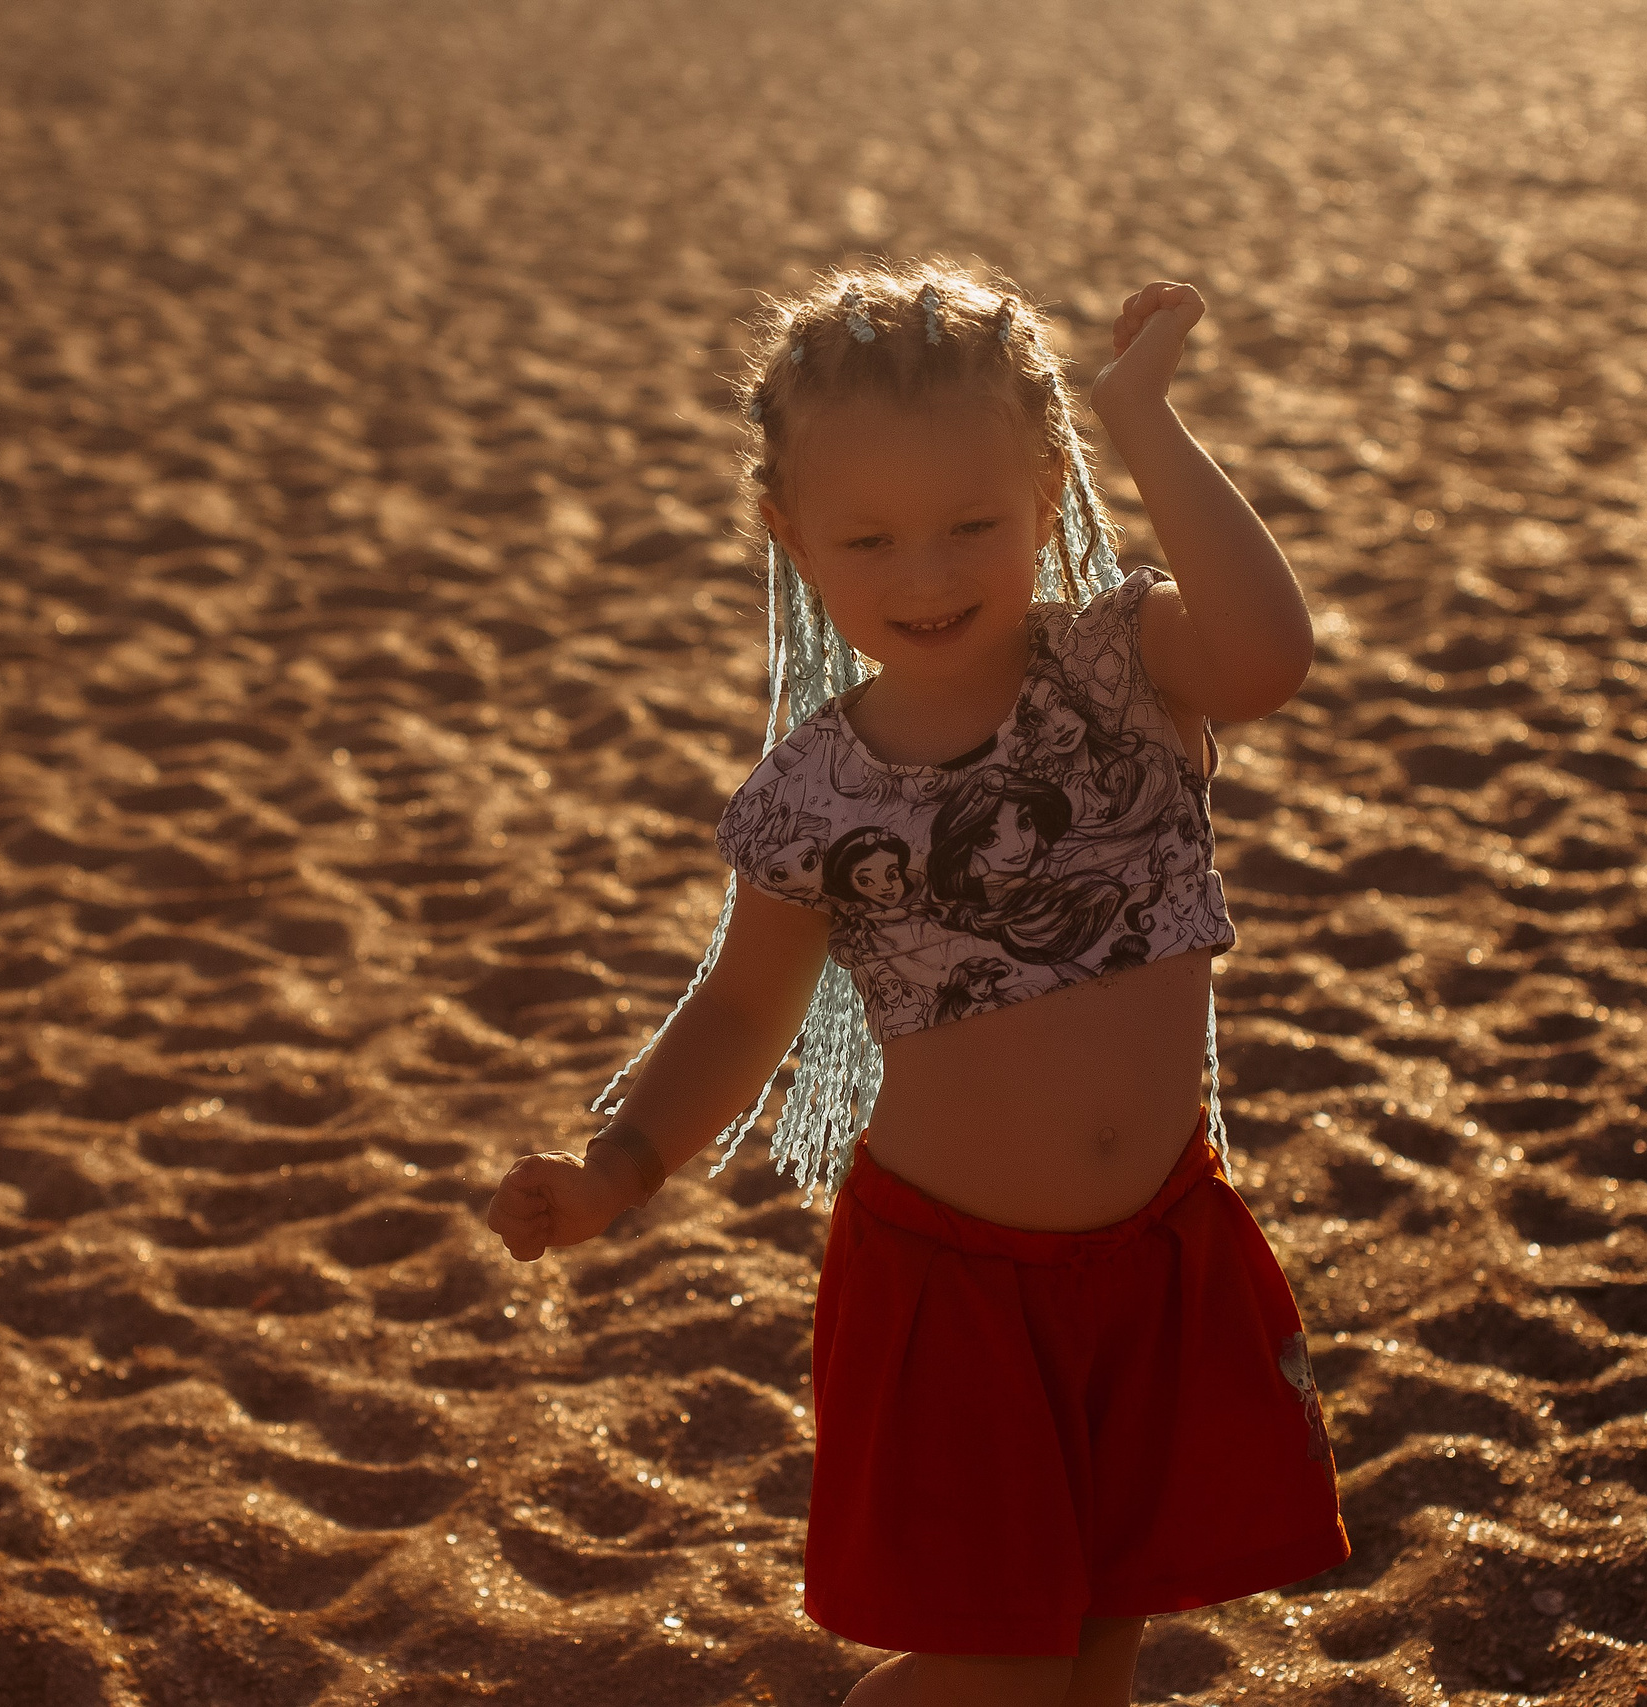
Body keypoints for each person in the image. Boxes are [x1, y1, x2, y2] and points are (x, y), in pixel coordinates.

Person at [487, 261, 1343, 1707]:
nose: (929, 575)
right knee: (991, 1670)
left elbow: (1272, 654)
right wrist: (618, 1166)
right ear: (789, 536)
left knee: (1095, 1648)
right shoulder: (814, 792)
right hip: (954, 1293)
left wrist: (1143, 417)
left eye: (971, 523)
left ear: (1048, 482)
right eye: (870, 539)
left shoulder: (1126, 666)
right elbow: (740, 1012)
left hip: (1154, 1260)